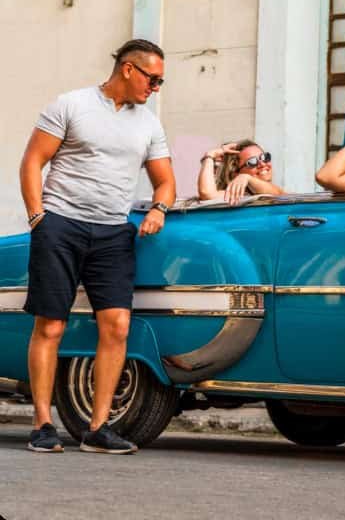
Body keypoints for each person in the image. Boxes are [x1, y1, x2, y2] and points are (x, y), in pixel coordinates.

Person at [19, 39, 176, 455]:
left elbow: (165, 180)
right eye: (153, 79)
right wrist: (39, 218)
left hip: (112, 232)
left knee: (117, 327)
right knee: (51, 325)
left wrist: (160, 208)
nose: (156, 88)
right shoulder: (71, 105)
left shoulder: (149, 124)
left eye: (160, 81)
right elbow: (33, 160)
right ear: (128, 69)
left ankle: (98, 426)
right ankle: (43, 423)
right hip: (61, 226)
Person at [198, 140, 284, 205]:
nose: (262, 164)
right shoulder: (238, 196)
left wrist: (247, 177)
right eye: (252, 162)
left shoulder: (277, 191)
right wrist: (209, 156)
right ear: (235, 173)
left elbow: (278, 194)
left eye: (265, 157)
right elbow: (207, 193)